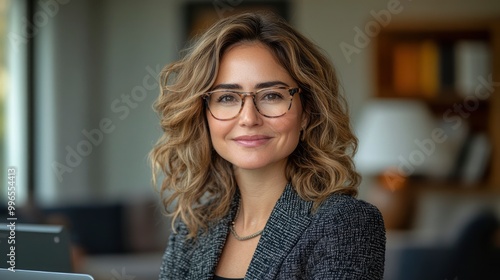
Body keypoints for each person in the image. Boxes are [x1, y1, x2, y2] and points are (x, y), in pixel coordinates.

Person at [150, 11, 386, 280]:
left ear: (307, 112)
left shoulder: (344, 222)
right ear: (202, 113)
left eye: (272, 95)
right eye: (227, 97)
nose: (249, 118)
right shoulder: (193, 227)